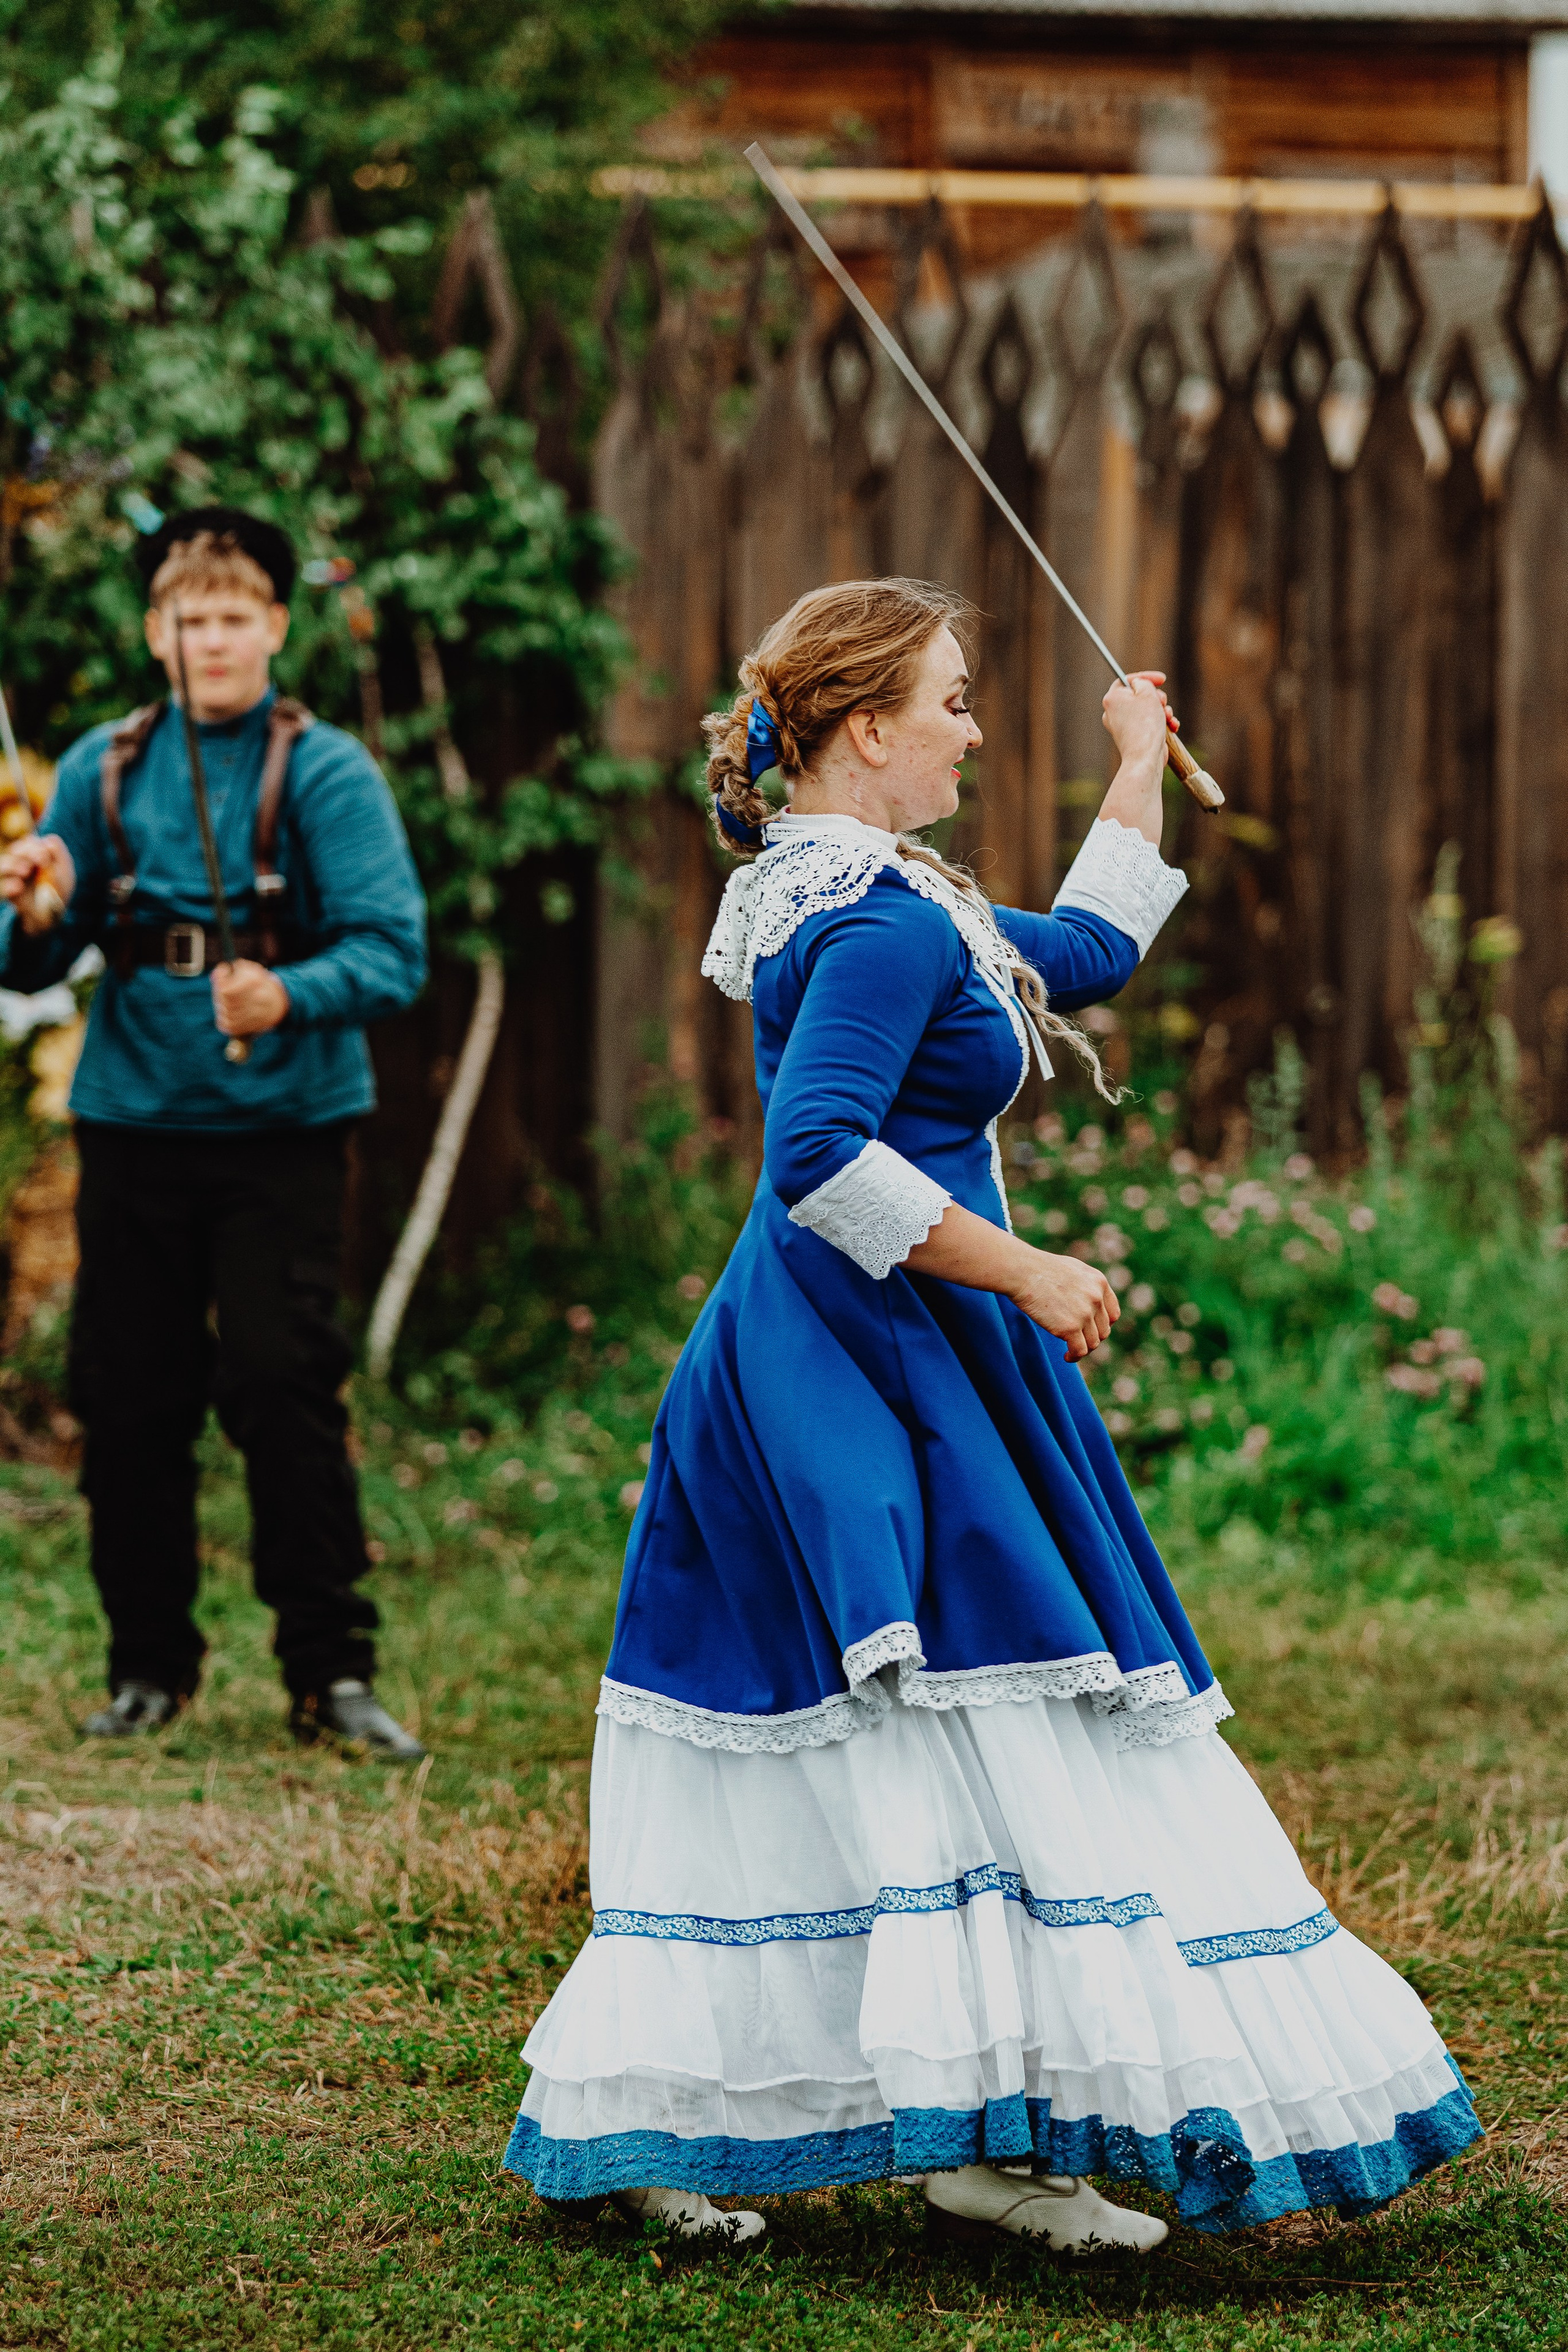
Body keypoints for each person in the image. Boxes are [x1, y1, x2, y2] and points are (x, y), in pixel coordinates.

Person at [503, 578, 1479, 2249]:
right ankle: (754, 2117)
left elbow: (1085, 957)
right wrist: (1026, 1272)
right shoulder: (875, 920)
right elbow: (815, 1162)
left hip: (898, 1352)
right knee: (916, 1717)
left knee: (941, 1722)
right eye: (953, 699)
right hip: (848, 1364)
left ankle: (976, 2125)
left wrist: (1135, 758)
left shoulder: (897, 895)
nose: (972, 723)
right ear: (870, 728)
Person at [0, 507, 429, 1758]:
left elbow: (391, 948)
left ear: (275, 629)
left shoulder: (328, 771)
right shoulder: (104, 767)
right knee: (128, 1397)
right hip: (132, 1125)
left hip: (281, 1130)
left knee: (278, 1383)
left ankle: (330, 1672)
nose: (214, 640)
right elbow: (37, 955)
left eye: (236, 617)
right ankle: (147, 1667)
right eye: (191, 620)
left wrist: (287, 993)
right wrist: (32, 908)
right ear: (156, 634)